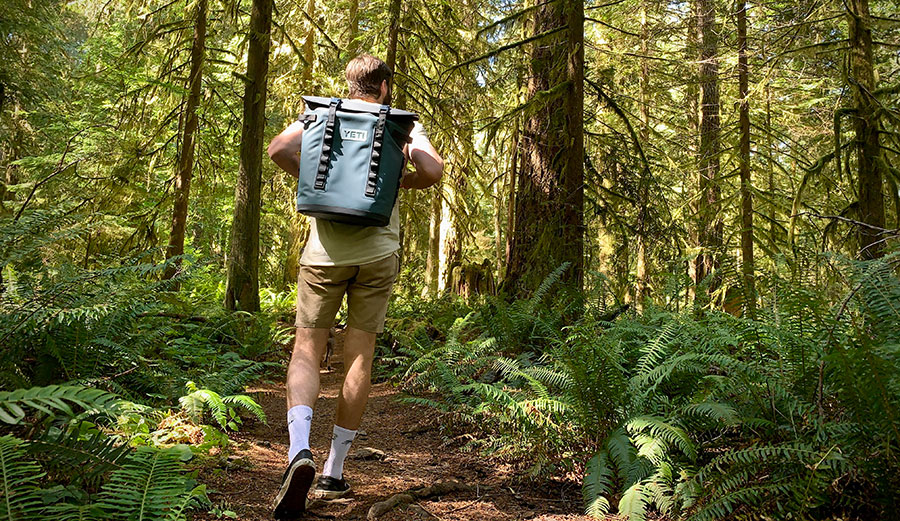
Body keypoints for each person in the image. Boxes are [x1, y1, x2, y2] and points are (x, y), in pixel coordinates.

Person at [266, 54, 444, 519]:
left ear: (349, 85)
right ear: (384, 87)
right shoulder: (401, 123)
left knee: (306, 349)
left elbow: (279, 149)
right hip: (378, 253)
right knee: (359, 354)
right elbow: (432, 169)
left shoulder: (323, 113)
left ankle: (297, 452)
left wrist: (314, 180)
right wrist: (395, 184)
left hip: (323, 254)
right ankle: (334, 470)